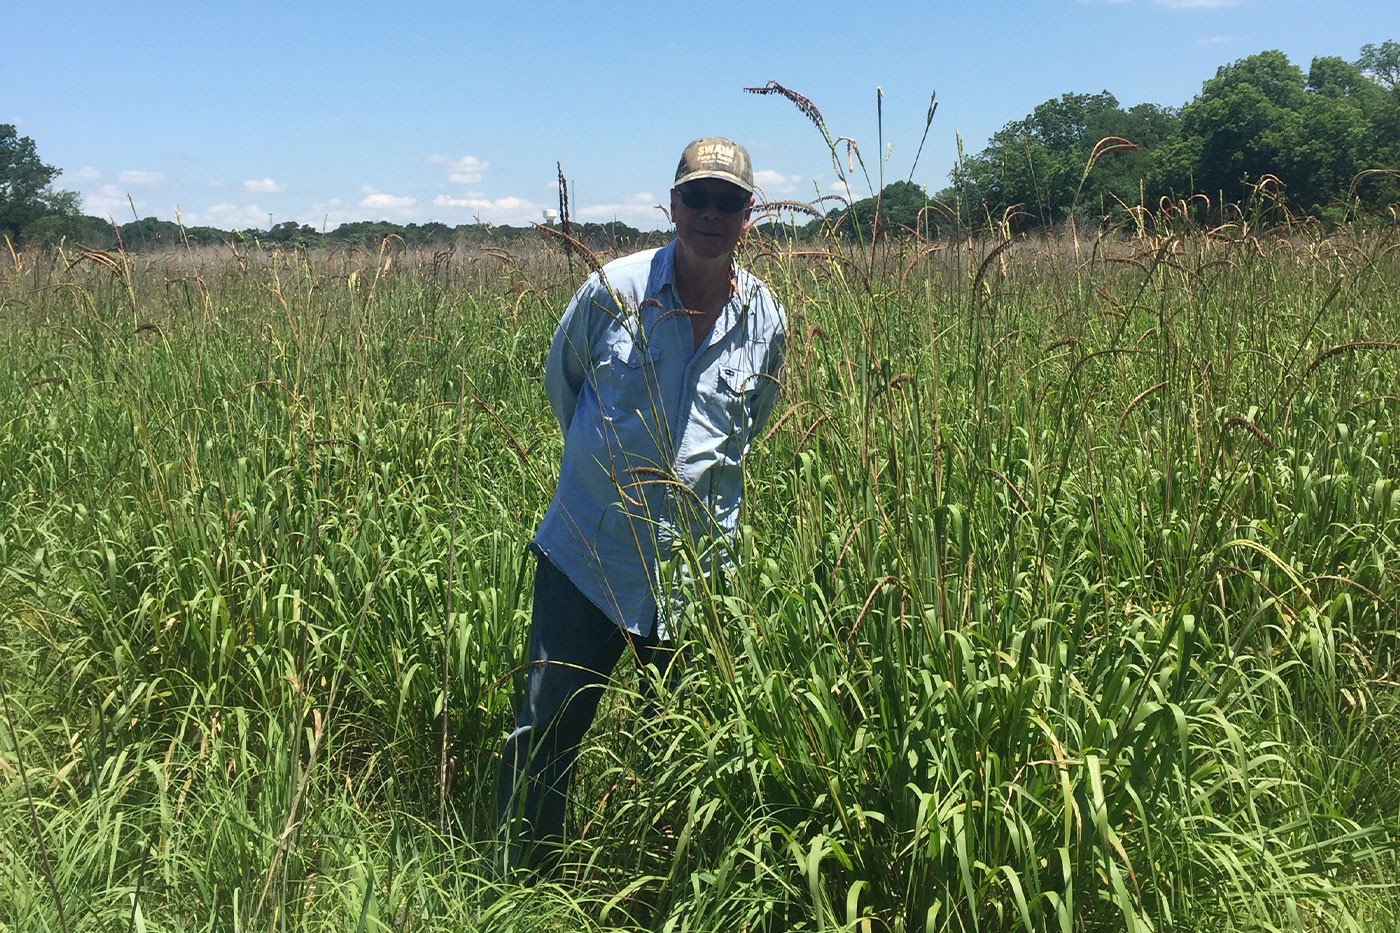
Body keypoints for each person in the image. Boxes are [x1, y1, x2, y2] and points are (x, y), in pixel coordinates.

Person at [496, 137, 786, 873]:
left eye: (728, 200)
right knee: (547, 726)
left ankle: (663, 878)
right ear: (673, 204)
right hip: (590, 555)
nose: (710, 213)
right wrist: (603, 474)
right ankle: (517, 879)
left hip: (694, 575)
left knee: (689, 739)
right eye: (697, 197)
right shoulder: (613, 291)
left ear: (749, 216)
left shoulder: (766, 318)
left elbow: (755, 424)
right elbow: (565, 388)